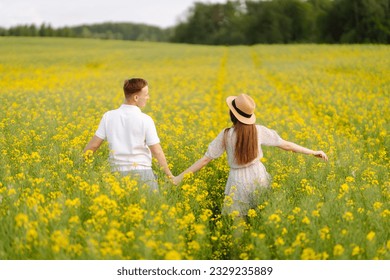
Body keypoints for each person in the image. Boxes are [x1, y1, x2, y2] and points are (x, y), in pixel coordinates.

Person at [173, 94, 328, 216]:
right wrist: (314, 152)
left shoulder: (226, 134)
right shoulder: (258, 130)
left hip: (237, 180)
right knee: (262, 215)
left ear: (232, 114)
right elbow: (287, 145)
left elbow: (205, 159)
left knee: (237, 226)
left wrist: (178, 178)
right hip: (258, 175)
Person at [83, 78, 173, 191]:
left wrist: (79, 166)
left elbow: (93, 146)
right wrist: (169, 175)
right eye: (146, 94)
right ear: (136, 98)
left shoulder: (108, 116)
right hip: (142, 175)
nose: (148, 98)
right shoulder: (145, 119)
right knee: (149, 208)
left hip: (116, 175)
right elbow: (157, 151)